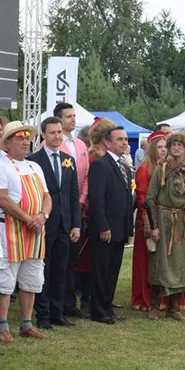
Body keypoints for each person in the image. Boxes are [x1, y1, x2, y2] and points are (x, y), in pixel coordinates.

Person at [0, 121, 50, 342]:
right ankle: (2, 325)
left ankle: (26, 322)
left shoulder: (35, 167)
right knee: (6, 278)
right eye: (20, 138)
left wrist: (42, 216)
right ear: (8, 143)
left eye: (27, 138)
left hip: (35, 231)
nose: (26, 142)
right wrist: (27, 218)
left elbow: (46, 196)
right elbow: (1, 198)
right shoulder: (0, 166)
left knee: (32, 277)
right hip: (10, 229)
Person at [29, 116, 81, 328]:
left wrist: (76, 223)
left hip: (65, 224)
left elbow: (73, 195)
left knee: (61, 269)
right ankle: (43, 313)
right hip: (44, 224)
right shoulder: (34, 160)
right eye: (52, 133)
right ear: (43, 135)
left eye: (59, 132)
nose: (57, 136)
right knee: (44, 269)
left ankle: (57, 312)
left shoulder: (68, 161)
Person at [143, 131, 185, 321]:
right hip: (164, 220)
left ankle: (174, 308)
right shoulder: (162, 168)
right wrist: (154, 227)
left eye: (180, 146)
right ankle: (154, 306)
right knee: (160, 264)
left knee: (181, 264)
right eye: (173, 145)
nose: (176, 148)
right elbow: (149, 200)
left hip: (183, 223)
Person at [86, 126, 134, 324]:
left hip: (120, 228)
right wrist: (103, 226)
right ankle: (98, 310)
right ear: (107, 142)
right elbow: (96, 200)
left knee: (113, 270)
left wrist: (128, 229)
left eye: (125, 139)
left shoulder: (124, 166)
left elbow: (127, 200)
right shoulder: (100, 165)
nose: (124, 142)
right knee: (101, 270)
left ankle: (108, 307)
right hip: (106, 229)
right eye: (120, 139)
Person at [54, 102, 89, 318]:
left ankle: (69, 302)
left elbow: (86, 177)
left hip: (79, 207)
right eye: (68, 116)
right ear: (59, 119)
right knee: (60, 259)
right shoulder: (53, 145)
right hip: (61, 209)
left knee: (73, 258)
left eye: (74, 116)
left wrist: (83, 201)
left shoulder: (81, 145)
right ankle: (56, 302)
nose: (73, 119)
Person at [130, 131, 167, 312]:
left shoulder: (168, 167)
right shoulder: (145, 168)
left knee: (161, 259)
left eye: (165, 147)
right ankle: (143, 297)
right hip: (148, 218)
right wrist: (148, 223)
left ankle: (161, 297)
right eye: (159, 147)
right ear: (152, 149)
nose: (163, 150)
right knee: (146, 259)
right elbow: (142, 197)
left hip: (164, 217)